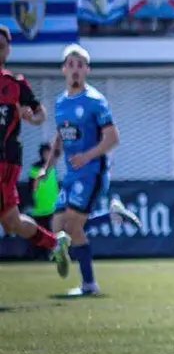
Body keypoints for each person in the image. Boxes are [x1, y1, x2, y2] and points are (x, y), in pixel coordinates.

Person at [45, 44, 139, 296]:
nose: (75, 70)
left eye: (80, 65)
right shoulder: (60, 103)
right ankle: (111, 217)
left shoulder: (95, 101)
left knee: (72, 226)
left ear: (87, 70)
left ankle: (89, 284)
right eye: (71, 65)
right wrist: (47, 167)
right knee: (57, 227)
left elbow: (112, 138)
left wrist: (86, 156)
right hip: (71, 174)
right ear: (64, 69)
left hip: (92, 173)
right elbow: (60, 136)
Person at [0, 26, 57, 258]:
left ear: (7, 51)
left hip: (5, 162)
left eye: (1, 47)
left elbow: (41, 114)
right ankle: (55, 242)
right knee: (11, 223)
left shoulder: (15, 84)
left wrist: (31, 117)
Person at [26, 142, 60, 259]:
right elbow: (31, 186)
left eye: (50, 153)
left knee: (52, 232)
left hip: (52, 207)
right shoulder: (35, 168)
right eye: (46, 153)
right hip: (39, 208)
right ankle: (36, 255)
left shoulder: (52, 167)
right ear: (41, 154)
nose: (48, 155)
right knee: (38, 232)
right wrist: (31, 200)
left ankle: (53, 254)